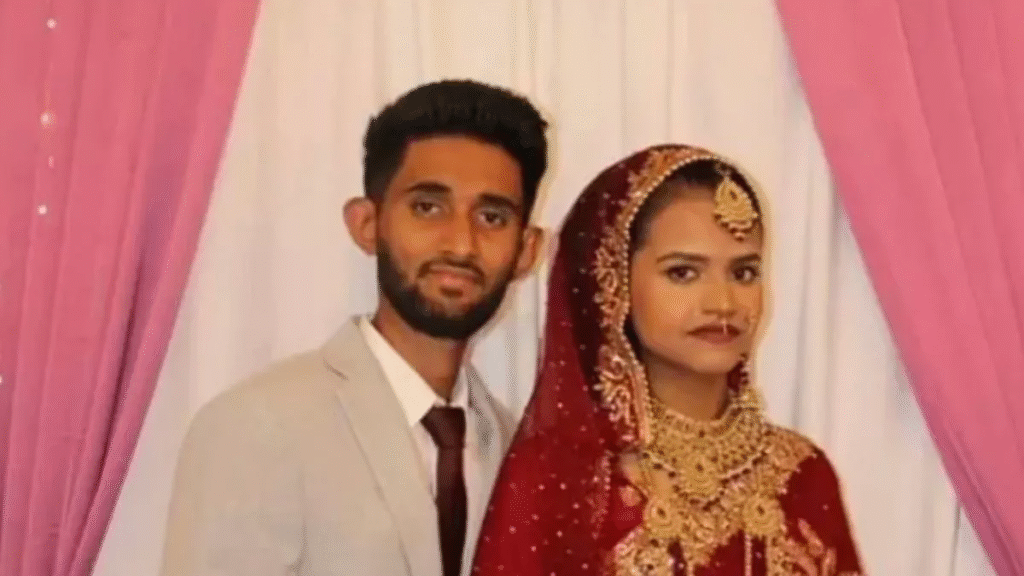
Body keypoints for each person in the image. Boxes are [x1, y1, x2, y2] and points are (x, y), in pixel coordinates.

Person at [159, 79, 548, 576]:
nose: (460, 244)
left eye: (492, 216)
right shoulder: (259, 426)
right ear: (366, 224)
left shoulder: (515, 450)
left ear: (527, 250)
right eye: (428, 207)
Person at [471, 144, 863, 575]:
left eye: (744, 273)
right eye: (683, 272)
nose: (723, 303)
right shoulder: (559, 481)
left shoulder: (804, 475)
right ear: (612, 284)